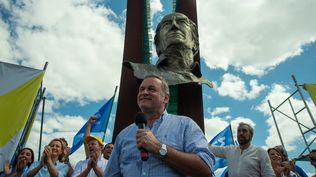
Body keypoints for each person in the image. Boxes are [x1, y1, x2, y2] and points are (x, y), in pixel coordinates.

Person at [104, 75, 214, 177]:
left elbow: (206, 169)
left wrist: (159, 148)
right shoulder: (123, 135)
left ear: (165, 98)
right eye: (141, 89)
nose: (144, 92)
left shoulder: (185, 125)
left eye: (151, 89)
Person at [208, 122, 275, 177]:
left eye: (244, 131)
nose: (241, 133)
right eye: (239, 131)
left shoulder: (260, 152)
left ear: (251, 135)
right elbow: (210, 149)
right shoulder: (229, 150)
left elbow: (268, 174)